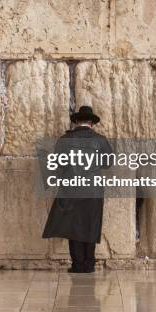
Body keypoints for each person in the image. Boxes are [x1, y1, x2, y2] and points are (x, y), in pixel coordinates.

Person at [42, 106, 113, 273]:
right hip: (94, 190)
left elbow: (57, 164)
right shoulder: (100, 140)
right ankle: (89, 265)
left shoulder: (64, 139)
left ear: (76, 122)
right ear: (91, 123)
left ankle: (77, 265)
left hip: (71, 189)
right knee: (91, 225)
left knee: (73, 226)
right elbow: (108, 163)